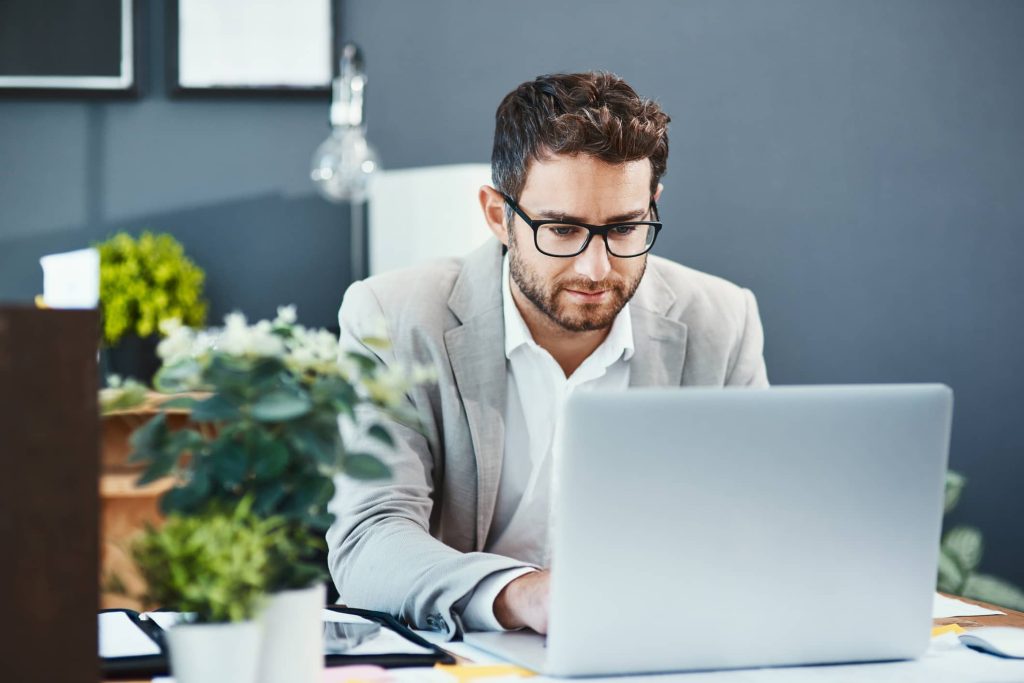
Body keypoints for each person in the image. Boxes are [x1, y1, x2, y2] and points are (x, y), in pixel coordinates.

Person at [327, 72, 769, 638]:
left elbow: (751, 526)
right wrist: (524, 595)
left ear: (651, 205)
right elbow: (369, 539)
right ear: (498, 216)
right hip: (468, 656)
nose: (595, 269)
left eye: (624, 228)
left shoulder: (722, 320)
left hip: (654, 652)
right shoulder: (391, 318)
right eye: (560, 229)